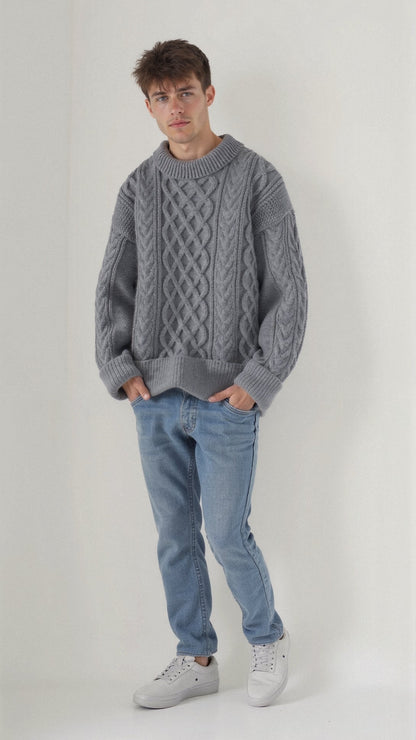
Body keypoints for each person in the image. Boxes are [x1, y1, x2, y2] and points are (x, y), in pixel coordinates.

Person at [94, 39, 307, 709]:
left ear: (208, 94)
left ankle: (268, 638)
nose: (175, 107)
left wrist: (258, 381)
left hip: (226, 397)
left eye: (186, 92)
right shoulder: (138, 187)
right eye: (161, 97)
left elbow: (288, 291)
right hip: (155, 397)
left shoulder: (257, 179)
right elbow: (113, 286)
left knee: (226, 534)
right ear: (149, 106)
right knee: (174, 537)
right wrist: (121, 367)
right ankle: (196, 656)